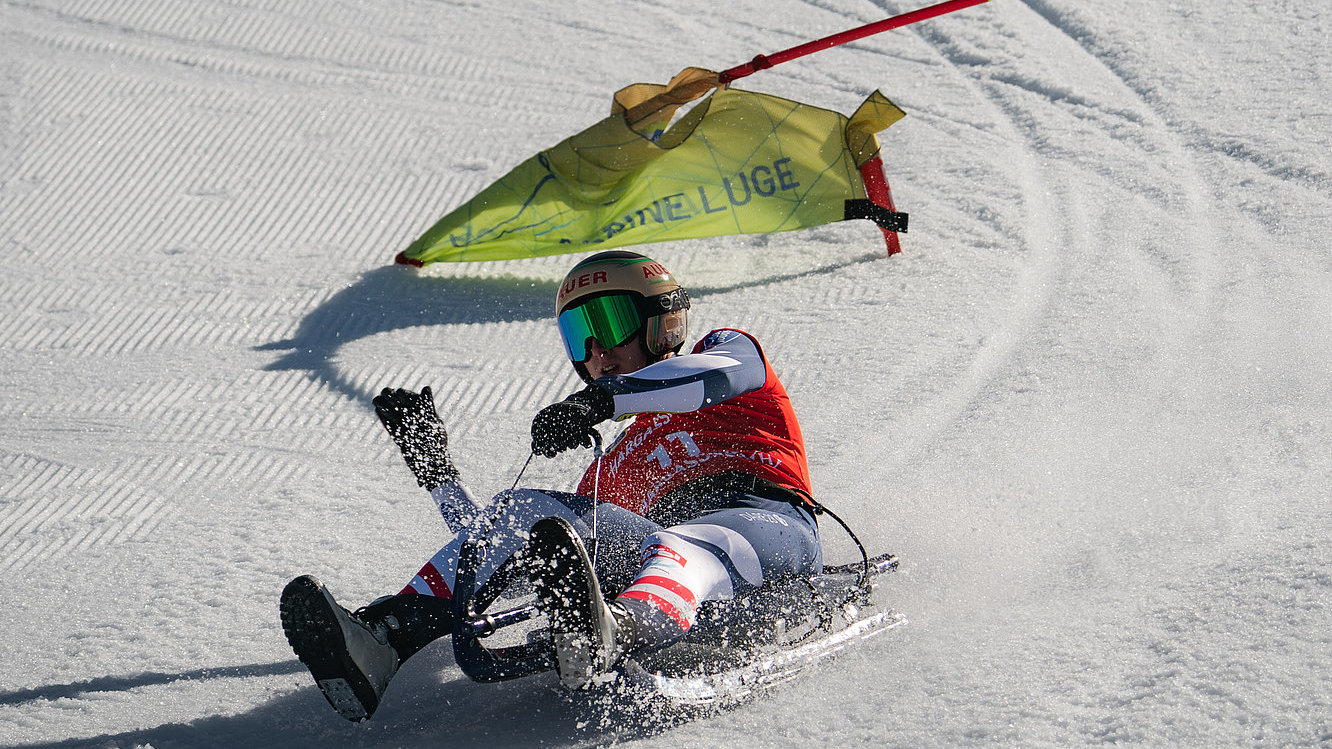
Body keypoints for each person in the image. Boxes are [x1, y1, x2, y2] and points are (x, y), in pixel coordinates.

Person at [279, 250, 823, 722]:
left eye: (608, 324)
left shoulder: (725, 357)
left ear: (662, 322)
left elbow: (717, 375)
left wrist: (602, 400)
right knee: (529, 511)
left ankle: (616, 631)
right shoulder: (617, 461)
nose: (594, 352)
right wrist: (437, 474)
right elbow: (499, 554)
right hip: (665, 558)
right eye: (577, 338)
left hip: (768, 524)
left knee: (683, 548)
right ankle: (384, 637)